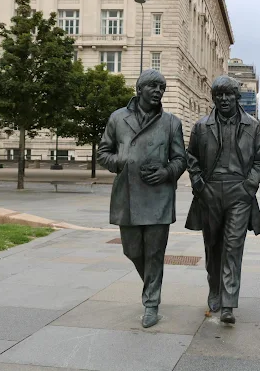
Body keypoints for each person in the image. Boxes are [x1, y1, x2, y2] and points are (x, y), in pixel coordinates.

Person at [98, 69, 187, 328]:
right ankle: (151, 284)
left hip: (158, 196)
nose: (158, 91)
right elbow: (103, 152)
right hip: (127, 194)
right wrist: (120, 161)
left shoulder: (171, 123)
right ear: (139, 89)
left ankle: (151, 303)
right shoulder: (118, 118)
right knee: (132, 250)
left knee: (155, 253)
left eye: (162, 87)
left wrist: (166, 172)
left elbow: (181, 159)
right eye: (153, 86)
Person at [185, 75, 260, 324]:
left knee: (233, 247)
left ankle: (229, 303)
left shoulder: (252, 126)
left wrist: (249, 186)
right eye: (219, 95)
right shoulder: (201, 126)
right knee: (213, 247)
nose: (223, 99)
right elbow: (192, 159)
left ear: (237, 97)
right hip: (210, 192)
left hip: (239, 193)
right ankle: (215, 290)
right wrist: (199, 185)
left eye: (228, 94)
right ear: (214, 98)